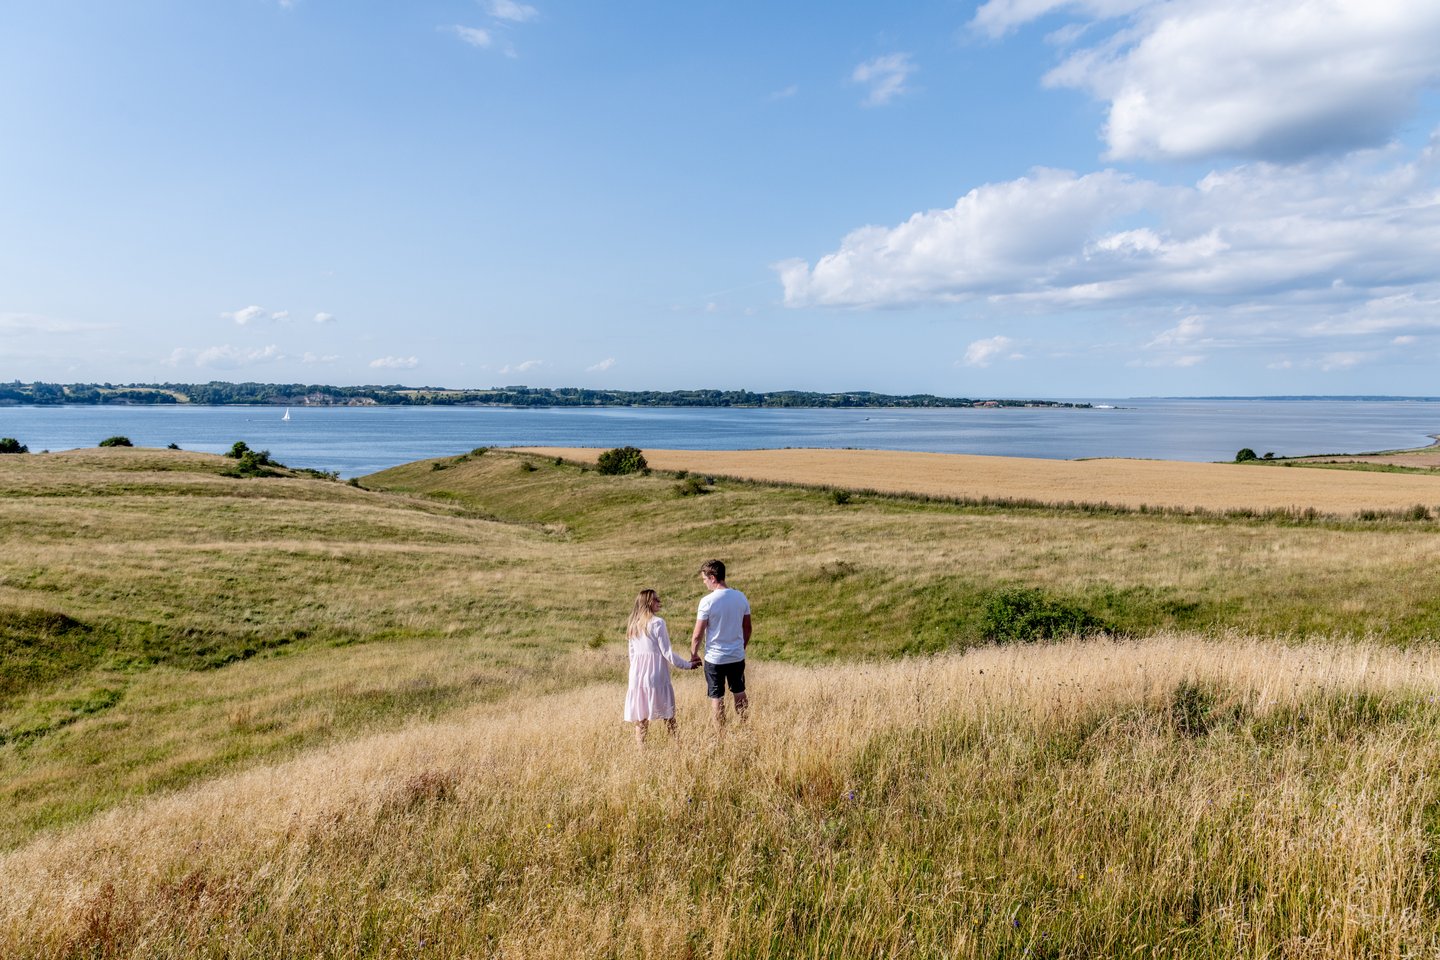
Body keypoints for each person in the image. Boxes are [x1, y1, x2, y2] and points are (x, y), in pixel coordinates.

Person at [624, 588, 698, 747]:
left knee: (641, 718)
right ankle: (678, 747)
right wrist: (688, 665)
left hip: (636, 676)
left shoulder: (633, 625)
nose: (660, 602)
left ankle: (641, 753)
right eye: (656, 600)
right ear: (649, 602)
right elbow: (667, 653)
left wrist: (636, 672)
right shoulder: (658, 622)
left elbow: (632, 655)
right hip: (656, 674)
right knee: (668, 715)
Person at [689, 559, 752, 727]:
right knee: (739, 691)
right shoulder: (741, 597)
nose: (704, 583)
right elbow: (748, 628)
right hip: (736, 656)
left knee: (717, 697)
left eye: (704, 579)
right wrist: (741, 647)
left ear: (712, 577)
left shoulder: (707, 601)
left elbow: (697, 634)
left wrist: (694, 654)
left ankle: (720, 735)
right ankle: (744, 726)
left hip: (715, 658)